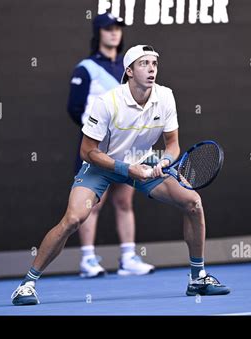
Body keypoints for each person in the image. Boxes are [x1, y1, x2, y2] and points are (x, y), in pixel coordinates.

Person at [11, 44, 231, 305]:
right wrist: (126, 169)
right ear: (129, 71)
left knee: (192, 202)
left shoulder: (166, 97)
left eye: (154, 63)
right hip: (101, 166)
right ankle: (27, 284)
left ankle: (198, 278)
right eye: (143, 64)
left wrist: (164, 161)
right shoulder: (106, 102)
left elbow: (172, 145)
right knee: (73, 219)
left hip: (143, 161)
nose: (151, 69)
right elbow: (87, 151)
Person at [67, 13, 154, 278]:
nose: (114, 33)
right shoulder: (86, 68)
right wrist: (97, 134)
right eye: (108, 29)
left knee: (125, 202)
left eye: (118, 28)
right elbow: (75, 108)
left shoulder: (128, 69)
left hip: (126, 149)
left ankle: (128, 258)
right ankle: (88, 260)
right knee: (93, 203)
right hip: (97, 149)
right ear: (98, 33)